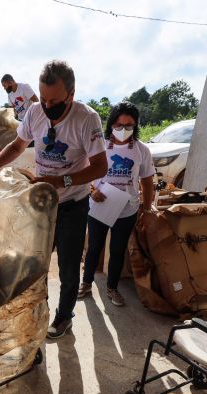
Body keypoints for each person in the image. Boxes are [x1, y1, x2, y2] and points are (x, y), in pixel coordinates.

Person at [0, 60, 108, 339]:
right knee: (35, 263)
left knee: (69, 267)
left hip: (72, 204)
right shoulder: (34, 112)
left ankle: (63, 317)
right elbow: (16, 145)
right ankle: (37, 311)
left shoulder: (87, 118)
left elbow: (99, 167)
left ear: (71, 94)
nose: (47, 106)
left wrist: (60, 181)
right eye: (43, 98)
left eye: (54, 100)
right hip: (40, 202)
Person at [79, 101, 155, 307]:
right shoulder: (98, 146)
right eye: (119, 125)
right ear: (111, 124)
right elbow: (82, 174)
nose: (123, 130)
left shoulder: (142, 150)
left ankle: (112, 288)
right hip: (99, 205)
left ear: (136, 126)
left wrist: (147, 210)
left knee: (117, 250)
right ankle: (86, 283)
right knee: (94, 247)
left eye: (129, 126)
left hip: (127, 209)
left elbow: (147, 183)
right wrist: (91, 191)